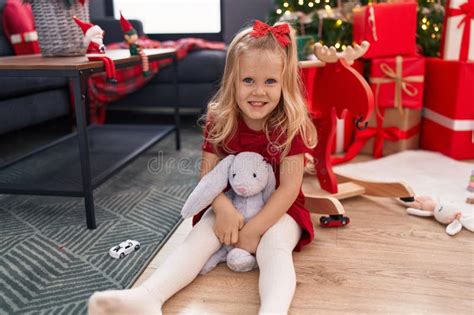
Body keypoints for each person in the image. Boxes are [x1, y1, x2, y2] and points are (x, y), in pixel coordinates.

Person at [88, 20, 317, 315]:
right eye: (248, 80)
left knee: (274, 247)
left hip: (280, 209)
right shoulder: (219, 118)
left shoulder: (289, 123)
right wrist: (222, 208)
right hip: (231, 202)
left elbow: (289, 188)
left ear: (284, 83)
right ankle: (148, 296)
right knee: (197, 237)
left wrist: (256, 228)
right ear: (232, 79)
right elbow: (208, 174)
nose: (258, 92)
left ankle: (273, 310)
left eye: (270, 82)